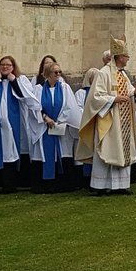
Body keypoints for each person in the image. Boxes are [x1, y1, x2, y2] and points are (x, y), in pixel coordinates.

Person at [76, 36, 136, 196]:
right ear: (119, 57)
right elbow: (96, 96)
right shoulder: (103, 74)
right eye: (126, 56)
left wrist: (135, 91)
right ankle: (99, 185)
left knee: (121, 149)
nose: (128, 59)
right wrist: (114, 99)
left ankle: (121, 185)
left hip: (123, 120)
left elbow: (128, 91)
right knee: (106, 149)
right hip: (109, 119)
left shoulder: (122, 75)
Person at [0, 55, 39, 193]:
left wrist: (14, 82)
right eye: (2, 65)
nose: (5, 67)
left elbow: (27, 97)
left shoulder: (21, 79)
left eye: (8, 65)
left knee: (10, 153)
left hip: (13, 124)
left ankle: (10, 185)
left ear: (13, 67)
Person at [31, 60, 83, 193]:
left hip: (60, 127)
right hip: (44, 128)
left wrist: (58, 121)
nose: (58, 74)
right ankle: (46, 184)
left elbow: (69, 106)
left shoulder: (64, 88)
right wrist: (46, 118)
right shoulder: (39, 89)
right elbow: (35, 107)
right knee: (46, 154)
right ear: (48, 74)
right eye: (55, 72)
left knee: (62, 153)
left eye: (60, 72)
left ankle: (63, 184)